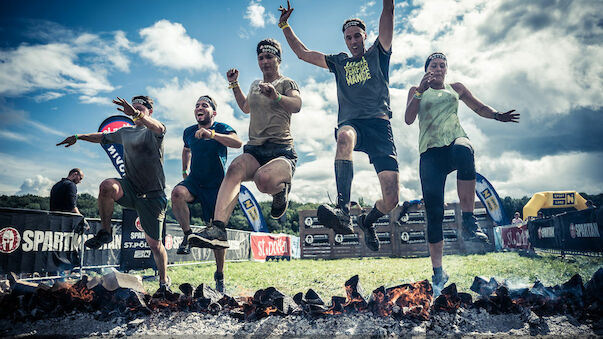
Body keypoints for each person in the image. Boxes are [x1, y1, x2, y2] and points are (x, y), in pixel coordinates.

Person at [278, 0, 398, 252]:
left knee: (391, 199)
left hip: (379, 126)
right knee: (344, 136)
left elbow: (388, 13)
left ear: (365, 36)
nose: (353, 41)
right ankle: (343, 210)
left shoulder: (378, 53)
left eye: (357, 36)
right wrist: (285, 25)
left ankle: (367, 221)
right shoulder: (339, 62)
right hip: (352, 123)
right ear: (344, 41)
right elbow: (303, 53)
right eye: (348, 38)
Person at [404, 52, 520, 293]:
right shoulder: (417, 89)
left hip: (453, 143)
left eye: (442, 65)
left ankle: (469, 220)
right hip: (430, 154)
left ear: (446, 70)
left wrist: (498, 115)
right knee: (434, 214)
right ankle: (438, 272)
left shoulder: (455, 88)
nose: (438, 68)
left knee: (465, 150)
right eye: (433, 65)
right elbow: (408, 118)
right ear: (426, 69)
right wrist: (419, 91)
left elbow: (478, 107)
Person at [189, 39, 301, 254]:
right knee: (234, 169)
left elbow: (296, 105)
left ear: (278, 58)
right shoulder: (255, 85)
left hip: (281, 150)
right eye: (261, 57)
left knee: (262, 179)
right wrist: (234, 84)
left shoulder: (287, 83)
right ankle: (218, 229)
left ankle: (281, 190)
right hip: (255, 149)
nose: (265, 61)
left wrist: (276, 96)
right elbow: (245, 107)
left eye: (269, 57)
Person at [57, 96, 171, 293]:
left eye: (139, 108)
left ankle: (163, 282)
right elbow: (101, 137)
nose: (133, 111)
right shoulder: (125, 132)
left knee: (154, 244)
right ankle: (106, 232)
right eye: (132, 108)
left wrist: (136, 114)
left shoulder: (153, 131)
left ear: (149, 111)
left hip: (153, 195)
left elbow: (159, 128)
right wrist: (78, 136)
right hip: (130, 189)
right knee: (107, 186)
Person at [171, 95, 242, 292]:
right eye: (196, 106)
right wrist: (185, 170)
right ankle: (187, 236)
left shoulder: (221, 127)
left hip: (217, 186)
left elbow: (237, 143)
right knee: (177, 193)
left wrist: (212, 135)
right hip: (194, 181)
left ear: (213, 112)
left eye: (204, 105)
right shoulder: (188, 132)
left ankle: (219, 275)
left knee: (217, 236)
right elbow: (186, 150)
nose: (199, 108)